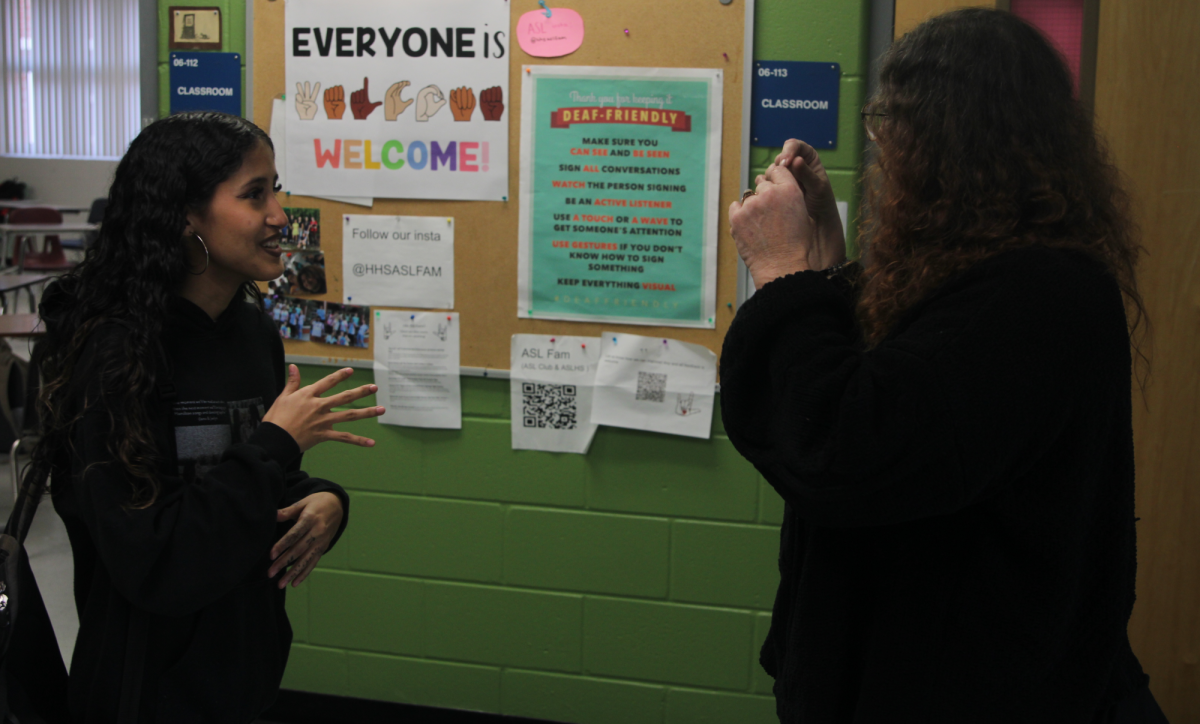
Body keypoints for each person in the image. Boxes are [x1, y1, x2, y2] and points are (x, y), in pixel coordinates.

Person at [721, 10, 1166, 723]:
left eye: (894, 148)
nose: (884, 173)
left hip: (974, 689)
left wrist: (781, 274)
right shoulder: (993, 272)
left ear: (950, 151)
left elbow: (846, 448)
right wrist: (829, 270)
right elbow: (906, 389)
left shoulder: (1040, 293)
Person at [29, 111, 386, 723]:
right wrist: (276, 445)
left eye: (277, 188)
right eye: (255, 194)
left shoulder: (251, 333)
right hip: (144, 690)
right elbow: (154, 560)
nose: (280, 214)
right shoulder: (114, 353)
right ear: (185, 216)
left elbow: (244, 481)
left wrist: (325, 500)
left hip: (241, 674)